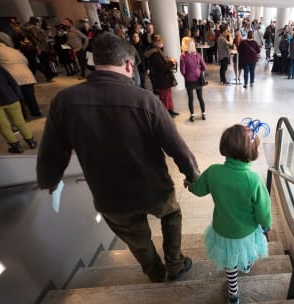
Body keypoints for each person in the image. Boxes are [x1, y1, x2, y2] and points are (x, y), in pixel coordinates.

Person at [36, 32, 200, 283]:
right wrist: (192, 174)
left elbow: (52, 151)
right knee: (170, 215)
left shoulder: (64, 102)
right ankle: (175, 264)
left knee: (136, 238)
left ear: (93, 61)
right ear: (128, 64)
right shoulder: (145, 100)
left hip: (109, 195)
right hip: (153, 186)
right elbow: (176, 147)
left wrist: (49, 180)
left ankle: (155, 272)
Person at [185, 122, 272, 304]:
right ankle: (246, 265)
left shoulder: (214, 172)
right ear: (252, 151)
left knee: (229, 262)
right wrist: (266, 226)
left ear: (225, 147)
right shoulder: (254, 179)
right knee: (246, 251)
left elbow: (199, 189)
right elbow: (263, 212)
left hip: (222, 229)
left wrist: (189, 185)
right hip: (246, 232)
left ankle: (233, 293)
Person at [0, 56, 37, 153]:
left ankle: (16, 147)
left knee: (3, 126)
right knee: (20, 121)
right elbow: (10, 79)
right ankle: (31, 142)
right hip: (9, 97)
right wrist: (18, 95)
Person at [0, 40, 42, 117]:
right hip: (26, 75)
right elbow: (25, 61)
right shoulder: (15, 50)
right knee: (30, 97)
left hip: (13, 77)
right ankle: (36, 112)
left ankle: (23, 115)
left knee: (18, 98)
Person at [145, 34, 179, 117]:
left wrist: (169, 60)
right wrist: (172, 62)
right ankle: (166, 112)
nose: (162, 43)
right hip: (162, 77)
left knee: (168, 95)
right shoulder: (154, 53)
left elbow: (164, 61)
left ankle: (170, 110)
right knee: (164, 96)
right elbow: (162, 67)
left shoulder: (157, 50)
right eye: (160, 41)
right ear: (156, 42)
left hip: (164, 77)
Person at [180, 36, 206, 122]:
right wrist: (198, 71)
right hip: (198, 79)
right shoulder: (198, 55)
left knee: (190, 99)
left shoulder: (183, 56)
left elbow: (182, 71)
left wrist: (186, 75)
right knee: (200, 97)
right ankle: (203, 114)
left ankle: (192, 115)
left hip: (189, 80)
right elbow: (204, 67)